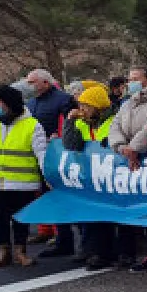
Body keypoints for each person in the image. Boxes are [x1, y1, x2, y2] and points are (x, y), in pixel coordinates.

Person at [106, 66, 147, 271]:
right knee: (145, 208)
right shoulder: (127, 103)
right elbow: (115, 126)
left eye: (135, 78)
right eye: (129, 79)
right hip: (132, 159)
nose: (130, 83)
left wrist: (135, 148)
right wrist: (121, 147)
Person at [0, 85, 47, 268]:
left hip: (22, 183)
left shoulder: (32, 125)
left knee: (21, 218)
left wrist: (47, 176)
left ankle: (20, 251)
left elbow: (41, 154)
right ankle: (4, 251)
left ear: (10, 103)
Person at [61, 85, 117, 271]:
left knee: (105, 217)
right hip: (90, 176)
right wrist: (69, 122)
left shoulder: (112, 121)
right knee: (90, 215)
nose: (82, 110)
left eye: (86, 106)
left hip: (110, 175)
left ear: (97, 106)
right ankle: (93, 251)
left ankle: (105, 253)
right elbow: (71, 145)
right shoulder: (81, 123)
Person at [26, 68, 78, 258]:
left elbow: (71, 124)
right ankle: (59, 237)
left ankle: (69, 240)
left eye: (32, 82)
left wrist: (60, 137)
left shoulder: (63, 100)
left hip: (58, 155)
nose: (29, 86)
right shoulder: (31, 104)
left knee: (63, 197)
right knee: (49, 197)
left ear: (45, 82)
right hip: (40, 156)